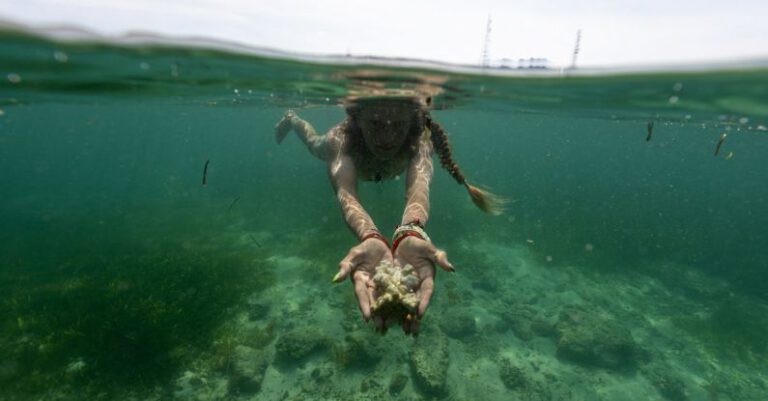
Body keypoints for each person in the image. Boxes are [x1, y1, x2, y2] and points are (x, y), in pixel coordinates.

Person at [274, 94, 504, 335]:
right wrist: (370, 235)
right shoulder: (340, 139)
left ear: (412, 122)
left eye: (398, 125)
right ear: (357, 118)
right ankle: (292, 119)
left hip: (379, 165)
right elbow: (346, 193)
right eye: (376, 124)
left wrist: (411, 231)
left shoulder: (421, 141)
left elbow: (419, 189)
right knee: (314, 144)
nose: (387, 137)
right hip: (348, 155)